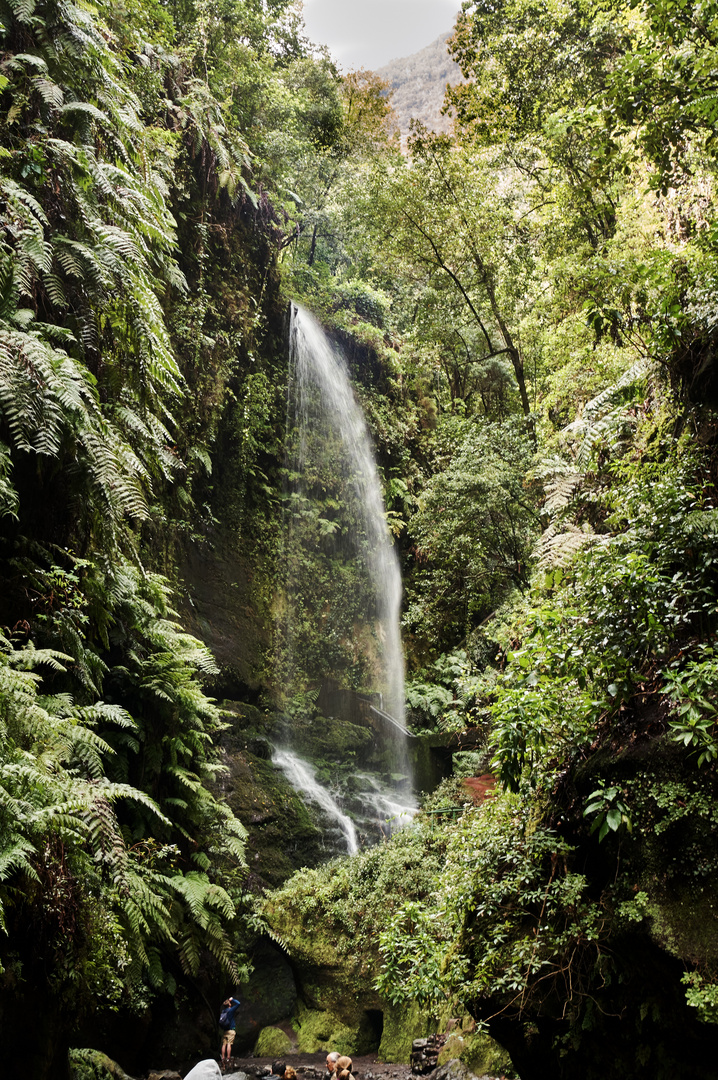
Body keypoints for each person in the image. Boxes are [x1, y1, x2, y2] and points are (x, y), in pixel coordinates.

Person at [218, 995, 241, 1070]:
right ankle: (228, 1058)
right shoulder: (230, 1010)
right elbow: (238, 1003)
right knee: (229, 1044)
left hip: (225, 1031)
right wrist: (232, 999)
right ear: (229, 1004)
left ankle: (223, 1058)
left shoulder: (223, 1011)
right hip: (231, 1030)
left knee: (224, 1044)